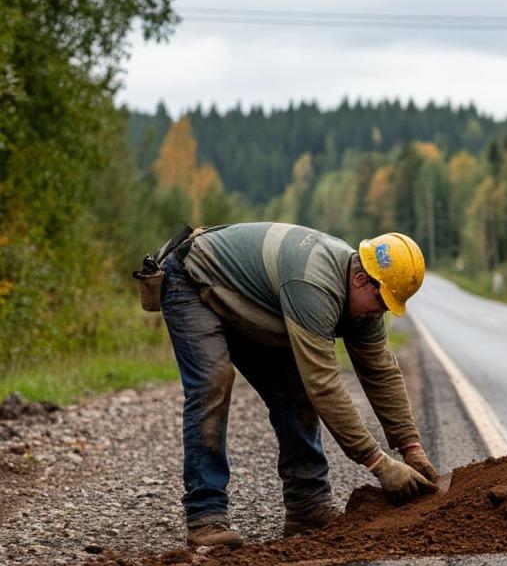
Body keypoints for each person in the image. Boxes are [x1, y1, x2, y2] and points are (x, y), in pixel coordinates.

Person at [158, 222, 438, 549]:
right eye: (381, 302)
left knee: (295, 391)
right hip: (192, 282)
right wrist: (379, 463)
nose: (380, 313)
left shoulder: (365, 300)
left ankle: (307, 506)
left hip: (252, 300)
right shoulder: (313, 284)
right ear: (361, 280)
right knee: (212, 383)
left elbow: (381, 372)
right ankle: (205, 515)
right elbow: (324, 385)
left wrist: (411, 447)